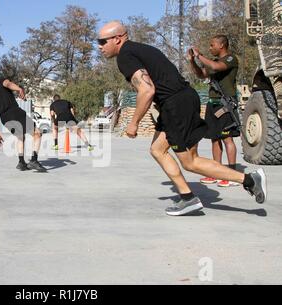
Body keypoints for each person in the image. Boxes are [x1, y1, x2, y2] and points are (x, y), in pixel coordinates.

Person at [97, 21, 267, 216]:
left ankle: (250, 180)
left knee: (190, 162)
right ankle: (188, 197)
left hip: (175, 105)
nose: (100, 47)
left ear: (117, 39)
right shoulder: (140, 49)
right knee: (157, 149)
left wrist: (133, 123)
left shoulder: (125, 55)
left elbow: (147, 89)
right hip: (181, 100)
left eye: (102, 41)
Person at [189, 35, 241, 187]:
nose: (210, 48)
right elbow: (200, 74)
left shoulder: (230, 59)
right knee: (214, 138)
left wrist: (200, 55)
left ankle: (232, 175)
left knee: (227, 138)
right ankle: (217, 172)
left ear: (222, 45)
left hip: (225, 105)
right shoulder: (214, 63)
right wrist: (193, 61)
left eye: (212, 45)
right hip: (213, 104)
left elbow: (217, 68)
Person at [0, 75, 46, 172]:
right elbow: (8, 84)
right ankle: (33, 160)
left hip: (5, 119)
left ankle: (21, 162)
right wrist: (19, 89)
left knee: (20, 136)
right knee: (37, 133)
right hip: (15, 113)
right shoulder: (1, 82)